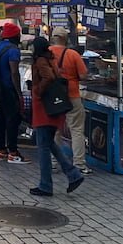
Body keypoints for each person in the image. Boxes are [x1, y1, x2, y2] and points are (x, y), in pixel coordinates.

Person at [29, 37, 84, 197]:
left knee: (44, 147)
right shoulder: (50, 58)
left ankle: (46, 185)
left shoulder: (40, 60)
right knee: (49, 143)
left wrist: (38, 90)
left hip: (45, 107)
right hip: (53, 106)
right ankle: (73, 173)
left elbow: (49, 78)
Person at [50, 26, 91, 174]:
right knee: (77, 130)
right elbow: (84, 75)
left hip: (53, 97)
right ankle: (79, 164)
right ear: (65, 38)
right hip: (72, 95)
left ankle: (53, 163)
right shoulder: (73, 54)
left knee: (55, 131)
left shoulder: (46, 53)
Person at [0, 23, 28, 163]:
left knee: (0, 119)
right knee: (12, 120)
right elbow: (14, 72)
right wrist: (19, 93)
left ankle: (1, 150)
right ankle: (13, 152)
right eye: (18, 34)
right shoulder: (13, 50)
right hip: (8, 89)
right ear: (15, 35)